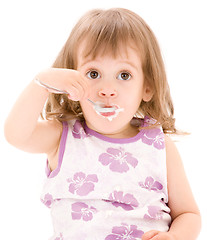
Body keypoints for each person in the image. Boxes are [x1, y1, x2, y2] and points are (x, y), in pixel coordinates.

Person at [4, 8, 201, 240]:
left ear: (147, 87)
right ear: (70, 80)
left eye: (124, 75)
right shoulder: (62, 137)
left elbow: (188, 214)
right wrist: (41, 83)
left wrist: (175, 237)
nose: (107, 90)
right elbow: (16, 134)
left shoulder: (159, 145)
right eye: (94, 74)